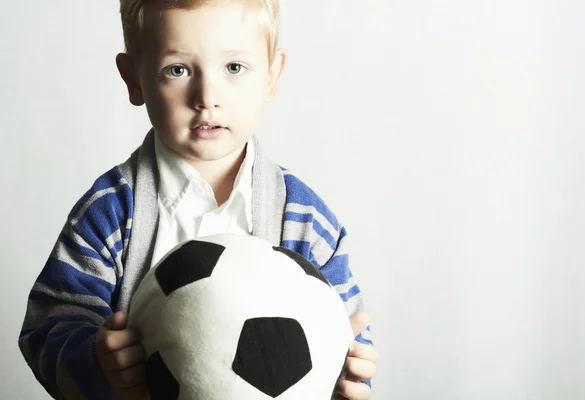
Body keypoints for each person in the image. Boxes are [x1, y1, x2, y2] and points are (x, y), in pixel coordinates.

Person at [18, 1, 378, 399]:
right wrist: (97, 362)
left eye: (234, 68)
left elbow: (348, 337)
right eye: (178, 69)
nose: (207, 96)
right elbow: (48, 327)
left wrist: (349, 380)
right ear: (133, 78)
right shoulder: (111, 212)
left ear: (272, 75)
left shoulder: (305, 219)